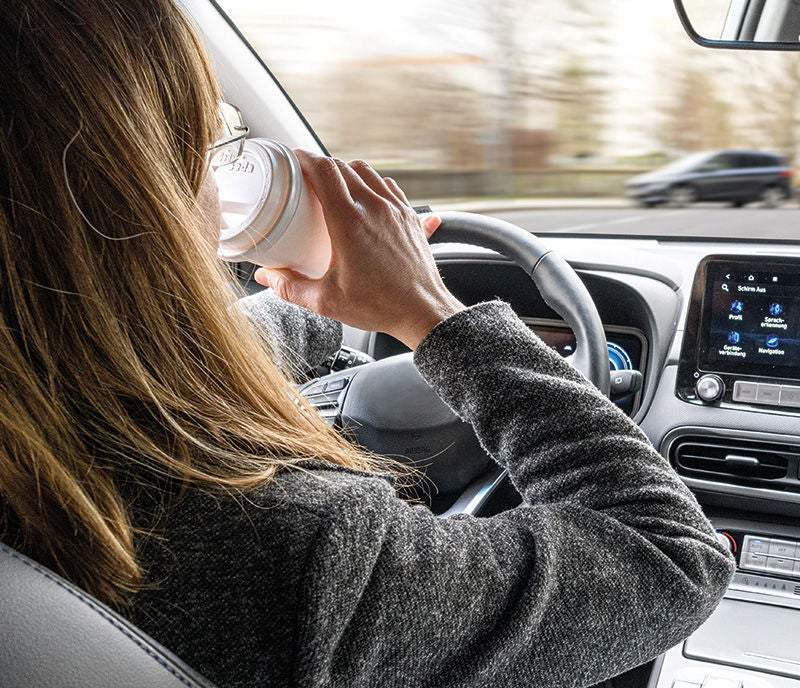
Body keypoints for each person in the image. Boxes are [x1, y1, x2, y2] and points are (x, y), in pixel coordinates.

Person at [0, 2, 733, 688]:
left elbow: (165, 366)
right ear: (141, 192)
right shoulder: (298, 551)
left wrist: (333, 291)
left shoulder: (52, 440)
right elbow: (672, 554)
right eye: (208, 139)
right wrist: (431, 313)